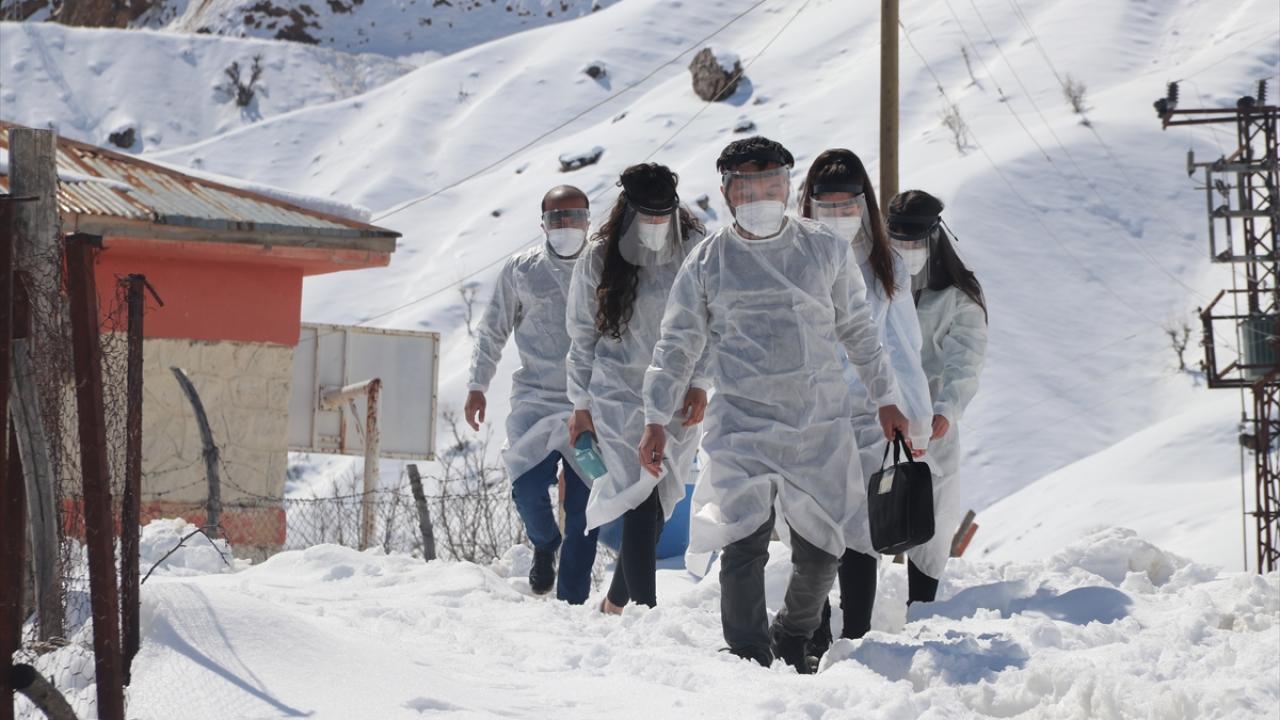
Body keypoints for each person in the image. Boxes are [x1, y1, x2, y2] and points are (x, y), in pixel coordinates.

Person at [638, 136, 910, 673]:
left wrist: (887, 398)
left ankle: (791, 635)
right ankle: (747, 656)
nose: (760, 194)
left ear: (788, 187)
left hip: (818, 421)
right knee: (744, 541)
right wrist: (654, 419)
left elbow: (858, 328)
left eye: (771, 183)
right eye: (747, 185)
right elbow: (677, 344)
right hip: (744, 423)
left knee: (823, 548)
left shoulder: (823, 249)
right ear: (726, 191)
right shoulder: (708, 261)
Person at [797, 150, 934, 656]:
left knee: (859, 528)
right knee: (810, 526)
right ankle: (812, 630)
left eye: (846, 203)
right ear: (808, 203)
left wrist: (914, 418)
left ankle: (854, 636)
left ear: (864, 202)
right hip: (806, 413)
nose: (837, 213)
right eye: (825, 204)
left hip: (867, 411)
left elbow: (903, 344)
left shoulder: (884, 261)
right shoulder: (790, 253)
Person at [565, 163, 709, 613]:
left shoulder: (695, 251)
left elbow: (713, 323)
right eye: (645, 214)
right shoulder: (600, 256)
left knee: (658, 503)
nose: (653, 223)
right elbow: (581, 334)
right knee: (640, 499)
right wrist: (580, 404)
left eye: (661, 214)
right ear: (627, 210)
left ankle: (615, 601)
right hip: (617, 395)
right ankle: (645, 614)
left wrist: (702, 383)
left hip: (676, 393)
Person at [465, 185, 599, 604]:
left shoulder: (606, 267)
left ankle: (572, 603)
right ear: (542, 224)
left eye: (574, 217)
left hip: (590, 406)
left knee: (584, 510)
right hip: (535, 399)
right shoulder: (522, 270)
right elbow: (492, 329)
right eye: (556, 218)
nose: (565, 226)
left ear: (588, 220)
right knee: (525, 487)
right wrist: (477, 385)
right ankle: (544, 542)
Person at [886, 189, 988, 604]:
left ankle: (921, 604)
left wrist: (947, 409)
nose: (908, 250)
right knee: (865, 508)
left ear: (935, 239)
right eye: (899, 242)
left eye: (916, 242)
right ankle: (854, 611)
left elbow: (965, 361)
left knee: (933, 511)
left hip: (930, 421)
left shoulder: (956, 296)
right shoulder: (874, 285)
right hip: (876, 411)